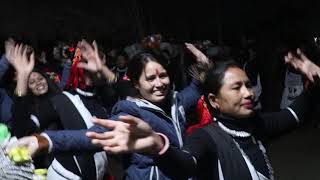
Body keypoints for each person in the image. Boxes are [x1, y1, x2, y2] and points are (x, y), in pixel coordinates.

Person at [81, 48, 320, 180]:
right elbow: (185, 165)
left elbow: (294, 113)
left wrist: (317, 79)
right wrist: (158, 147)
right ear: (214, 101)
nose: (249, 93)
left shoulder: (256, 123)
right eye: (237, 87)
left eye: (248, 85)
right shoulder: (204, 138)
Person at [8, 43, 211, 180]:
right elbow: (96, 135)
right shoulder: (64, 101)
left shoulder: (176, 101)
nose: (159, 84)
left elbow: (195, 88)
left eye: (163, 76)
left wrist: (204, 65)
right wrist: (45, 141)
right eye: (151, 79)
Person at [6, 42, 109, 180]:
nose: (38, 83)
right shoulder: (40, 109)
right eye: (32, 82)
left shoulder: (64, 98)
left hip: (94, 165)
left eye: (40, 79)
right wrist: (23, 77)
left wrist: (98, 72)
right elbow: (21, 130)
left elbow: (94, 93)